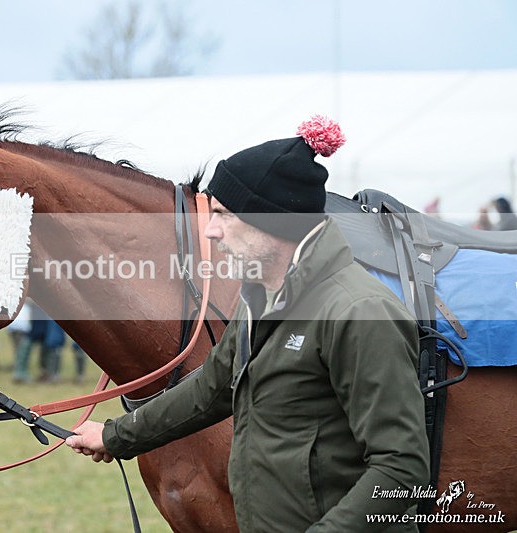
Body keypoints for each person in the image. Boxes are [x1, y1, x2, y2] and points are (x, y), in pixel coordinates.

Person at [66, 117, 430, 531]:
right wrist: (117, 436)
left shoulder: (358, 312)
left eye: (223, 214)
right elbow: (211, 389)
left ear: (271, 221)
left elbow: (402, 470)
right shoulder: (259, 296)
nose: (212, 231)